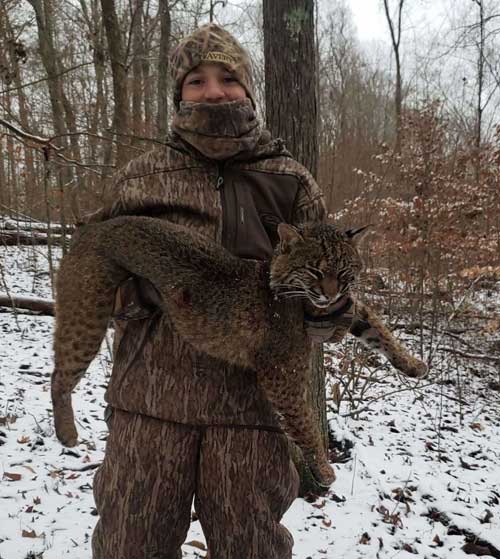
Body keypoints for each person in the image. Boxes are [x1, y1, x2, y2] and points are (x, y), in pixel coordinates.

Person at [91, 23, 351, 559]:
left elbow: (328, 292)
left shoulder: (290, 181)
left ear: (248, 88)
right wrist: (140, 292)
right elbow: (92, 273)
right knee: (127, 545)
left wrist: (328, 315)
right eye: (197, 80)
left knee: (251, 547)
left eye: (228, 77)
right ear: (178, 94)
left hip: (252, 409)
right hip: (150, 400)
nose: (214, 91)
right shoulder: (143, 176)